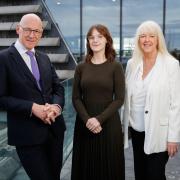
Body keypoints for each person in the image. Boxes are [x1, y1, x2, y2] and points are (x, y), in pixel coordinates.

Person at [0, 13, 66, 180]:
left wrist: (56, 107)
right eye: (27, 30)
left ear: (41, 34)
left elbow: (58, 88)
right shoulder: (4, 59)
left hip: (54, 131)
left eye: (36, 31)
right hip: (27, 136)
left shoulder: (44, 58)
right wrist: (31, 108)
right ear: (18, 30)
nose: (32, 35)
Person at [123, 20, 180, 180]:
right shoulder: (132, 64)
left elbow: (176, 104)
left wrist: (173, 138)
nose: (146, 40)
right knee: (140, 174)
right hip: (136, 130)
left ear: (158, 39)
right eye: (142, 36)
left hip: (159, 132)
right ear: (138, 40)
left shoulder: (171, 64)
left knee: (154, 175)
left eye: (151, 36)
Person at [71, 24, 125, 180]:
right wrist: (88, 120)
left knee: (109, 168)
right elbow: (75, 98)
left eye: (99, 37)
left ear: (107, 40)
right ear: (88, 42)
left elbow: (120, 98)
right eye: (91, 37)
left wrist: (98, 119)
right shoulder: (81, 67)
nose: (95, 40)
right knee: (86, 169)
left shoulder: (116, 66)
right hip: (84, 124)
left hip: (108, 124)